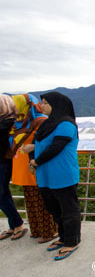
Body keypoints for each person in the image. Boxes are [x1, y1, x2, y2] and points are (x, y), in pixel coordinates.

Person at [24, 92, 81, 261]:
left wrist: (35, 162)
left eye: (46, 103)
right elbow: (36, 145)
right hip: (46, 175)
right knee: (54, 209)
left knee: (69, 210)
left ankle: (72, 241)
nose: (42, 106)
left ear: (57, 105)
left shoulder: (66, 124)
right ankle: (63, 237)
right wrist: (33, 160)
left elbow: (56, 147)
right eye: (42, 102)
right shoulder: (46, 125)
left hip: (63, 174)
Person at [10, 93, 57, 243]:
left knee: (43, 201)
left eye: (17, 107)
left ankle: (50, 231)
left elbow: (48, 144)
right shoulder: (19, 124)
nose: (15, 111)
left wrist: (34, 148)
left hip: (36, 167)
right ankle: (36, 229)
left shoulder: (40, 121)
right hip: (24, 169)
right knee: (31, 200)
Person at [0, 94, 28, 241]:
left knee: (1, 194)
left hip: (4, 163)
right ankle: (13, 225)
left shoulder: (8, 122)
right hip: (3, 161)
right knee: (3, 195)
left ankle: (18, 224)